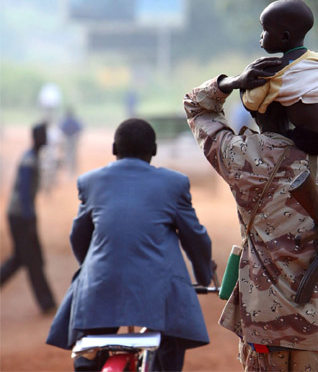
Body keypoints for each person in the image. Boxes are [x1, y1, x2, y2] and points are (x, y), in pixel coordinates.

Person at [183, 57, 318, 371]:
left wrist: (231, 83)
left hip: (263, 323)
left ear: (254, 112)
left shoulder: (241, 156)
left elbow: (196, 106)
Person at [46, 119, 214, 371]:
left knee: (88, 347)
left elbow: (78, 237)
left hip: (99, 290)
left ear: (114, 148)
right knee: (170, 345)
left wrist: (92, 271)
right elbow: (195, 237)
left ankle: (86, 361)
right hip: (158, 295)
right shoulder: (173, 184)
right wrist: (204, 274)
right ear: (154, 151)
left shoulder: (91, 182)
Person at [241, 0, 318, 159]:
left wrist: (243, 83)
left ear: (285, 37)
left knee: (256, 96)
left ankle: (276, 161)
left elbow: (251, 103)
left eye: (265, 30)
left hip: (312, 141)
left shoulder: (273, 72)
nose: (261, 35)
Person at [0, 123, 56, 314]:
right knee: (32, 260)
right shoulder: (29, 161)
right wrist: (30, 219)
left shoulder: (32, 158)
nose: (47, 138)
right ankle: (46, 302)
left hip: (21, 216)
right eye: (44, 135)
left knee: (22, 259)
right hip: (20, 216)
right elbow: (24, 194)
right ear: (37, 138)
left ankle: (47, 301)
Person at [59, 106, 83, 177]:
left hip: (68, 139)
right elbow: (79, 130)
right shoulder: (74, 121)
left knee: (68, 155)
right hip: (72, 139)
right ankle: (72, 171)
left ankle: (70, 171)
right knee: (73, 155)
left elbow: (62, 131)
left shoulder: (65, 121)